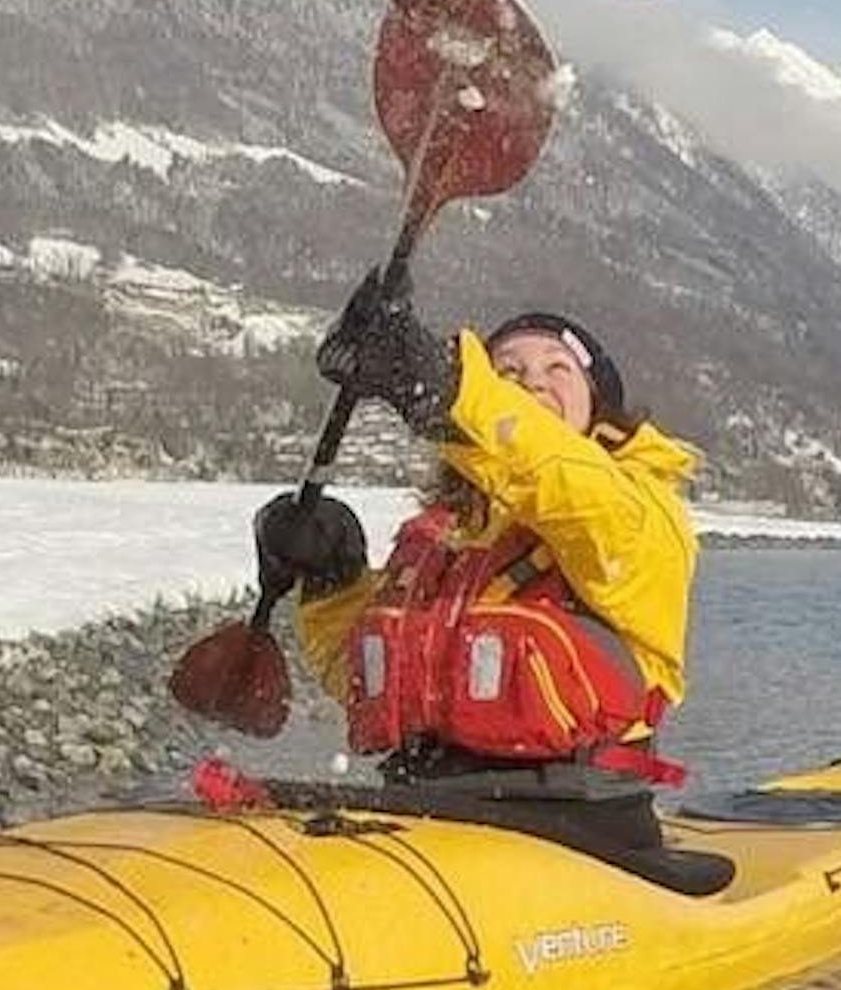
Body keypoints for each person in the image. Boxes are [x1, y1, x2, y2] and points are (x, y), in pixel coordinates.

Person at [239, 274, 701, 780]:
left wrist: (446, 389)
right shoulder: (445, 534)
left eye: (557, 367)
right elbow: (367, 678)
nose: (532, 382)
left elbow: (563, 479)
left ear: (597, 405)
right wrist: (332, 581)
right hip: (423, 800)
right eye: (508, 370)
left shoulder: (635, 514)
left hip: (581, 808)